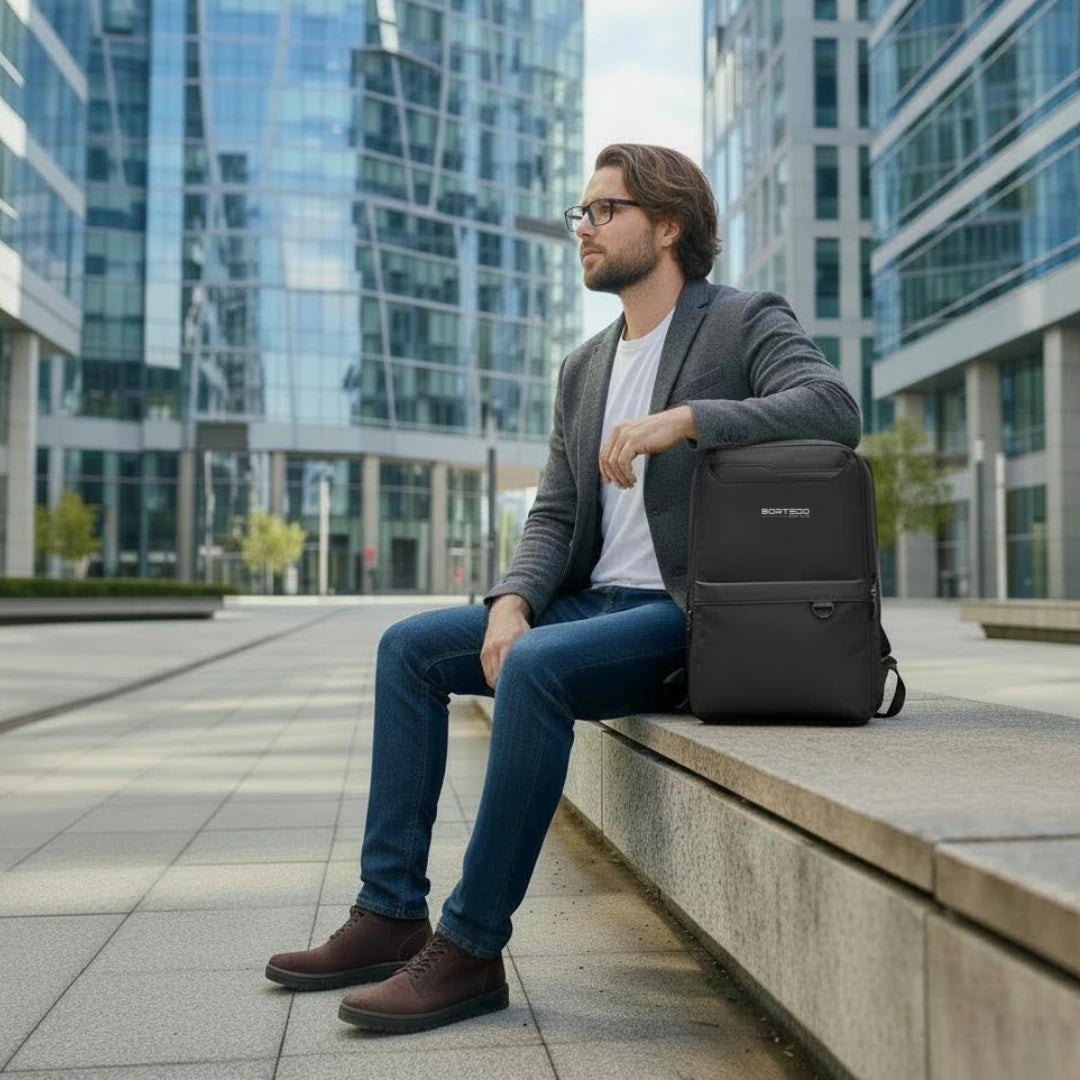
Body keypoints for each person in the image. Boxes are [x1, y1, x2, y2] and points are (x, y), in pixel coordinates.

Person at [265, 143, 862, 1034]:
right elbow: (553, 514)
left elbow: (833, 409)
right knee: (410, 650)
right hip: (590, 606)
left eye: (603, 210)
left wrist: (688, 420)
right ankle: (390, 911)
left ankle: (468, 950)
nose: (581, 228)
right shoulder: (582, 368)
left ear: (667, 226)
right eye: (580, 212)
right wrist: (510, 600)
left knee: (537, 668)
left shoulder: (740, 323)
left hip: (688, 616)